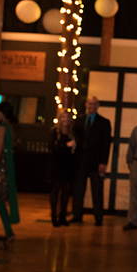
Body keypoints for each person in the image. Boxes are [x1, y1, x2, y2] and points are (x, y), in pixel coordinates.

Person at [72, 97, 111, 226]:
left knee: (97, 191)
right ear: (86, 104)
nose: (92, 106)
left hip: (96, 162)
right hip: (80, 161)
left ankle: (98, 218)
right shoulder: (79, 121)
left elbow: (106, 145)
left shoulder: (104, 122)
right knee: (78, 190)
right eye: (90, 103)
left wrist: (103, 163)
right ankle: (77, 215)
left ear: (98, 105)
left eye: (94, 104)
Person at [0, 102, 20, 248]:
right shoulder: (11, 128)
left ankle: (8, 232)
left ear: (3, 113)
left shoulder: (2, 128)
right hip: (5, 169)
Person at [48, 112, 79, 227]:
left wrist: (74, 147)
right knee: (55, 191)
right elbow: (51, 147)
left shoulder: (72, 133)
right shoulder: (54, 132)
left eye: (68, 117)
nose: (66, 119)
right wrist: (67, 145)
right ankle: (53, 216)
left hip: (68, 166)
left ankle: (63, 216)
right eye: (64, 117)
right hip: (57, 165)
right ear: (60, 119)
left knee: (66, 192)